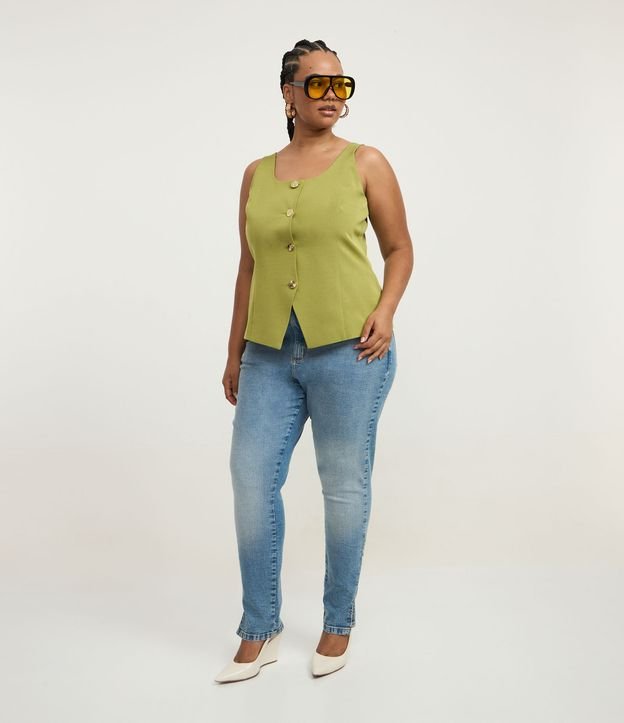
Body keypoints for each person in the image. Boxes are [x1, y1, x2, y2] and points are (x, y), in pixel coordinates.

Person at [216, 38, 413, 682]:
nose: (332, 96)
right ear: (288, 94)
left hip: (351, 351)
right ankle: (260, 626)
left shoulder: (366, 162)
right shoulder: (255, 174)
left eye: (341, 84)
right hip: (269, 354)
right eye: (318, 84)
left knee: (343, 487)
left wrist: (386, 311)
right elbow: (248, 268)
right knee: (251, 480)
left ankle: (338, 621)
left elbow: (400, 249)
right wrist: (234, 352)